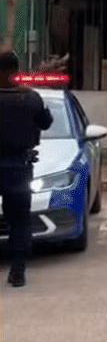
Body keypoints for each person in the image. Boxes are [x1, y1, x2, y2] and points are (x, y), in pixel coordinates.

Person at [0, 52, 53, 287]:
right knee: (20, 220)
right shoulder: (30, 98)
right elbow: (46, 122)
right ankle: (18, 270)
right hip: (19, 167)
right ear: (15, 69)